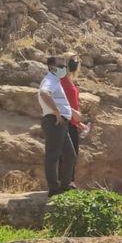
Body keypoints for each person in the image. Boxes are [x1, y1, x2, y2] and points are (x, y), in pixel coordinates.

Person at [38, 55, 79, 196]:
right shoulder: (49, 80)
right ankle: (54, 189)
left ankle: (65, 185)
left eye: (65, 66)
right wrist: (56, 111)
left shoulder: (56, 81)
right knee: (53, 156)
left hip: (62, 122)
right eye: (61, 66)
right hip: (54, 121)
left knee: (70, 155)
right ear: (51, 67)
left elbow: (61, 101)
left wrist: (71, 113)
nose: (64, 68)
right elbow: (44, 93)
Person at [59, 54, 87, 187]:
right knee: (67, 155)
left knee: (73, 154)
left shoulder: (71, 80)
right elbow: (58, 101)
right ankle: (64, 184)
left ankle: (70, 183)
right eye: (72, 60)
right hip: (63, 121)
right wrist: (72, 113)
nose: (75, 63)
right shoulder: (61, 80)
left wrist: (78, 122)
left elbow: (73, 102)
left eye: (76, 61)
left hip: (72, 123)